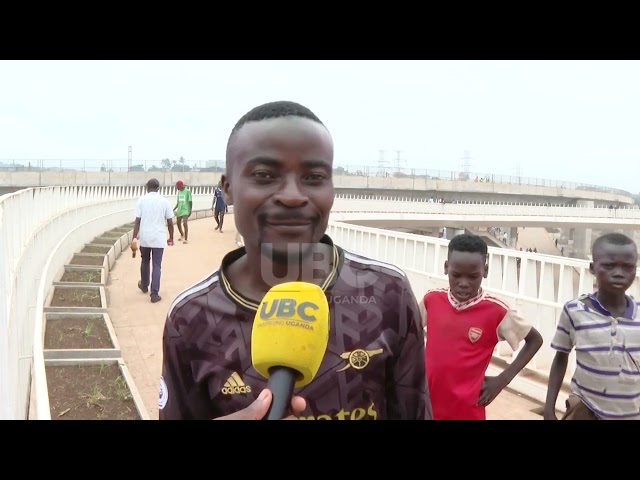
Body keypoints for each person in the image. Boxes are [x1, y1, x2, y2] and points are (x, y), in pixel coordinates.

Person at [158, 100, 431, 420]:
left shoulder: (389, 294)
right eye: (264, 175)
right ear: (227, 188)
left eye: (314, 177)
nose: (292, 196)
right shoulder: (190, 318)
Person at [422, 233, 543, 420]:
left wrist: (502, 381)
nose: (463, 283)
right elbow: (405, 332)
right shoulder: (432, 299)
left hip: (468, 411)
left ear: (485, 271)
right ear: (446, 268)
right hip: (427, 407)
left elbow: (535, 340)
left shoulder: (497, 311)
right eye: (456, 275)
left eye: (473, 276)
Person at [544, 232, 640, 420]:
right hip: (585, 410)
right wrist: (549, 409)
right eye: (609, 266)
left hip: (630, 413)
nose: (619, 273)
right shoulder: (574, 311)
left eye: (628, 267)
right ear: (592, 268)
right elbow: (560, 358)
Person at [132, 178, 175, 303]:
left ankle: (144, 285)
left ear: (147, 187)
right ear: (158, 188)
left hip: (145, 236)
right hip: (159, 237)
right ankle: (154, 294)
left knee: (145, 260)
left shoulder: (141, 200)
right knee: (157, 265)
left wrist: (134, 237)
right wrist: (171, 237)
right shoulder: (164, 202)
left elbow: (137, 221)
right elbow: (170, 222)